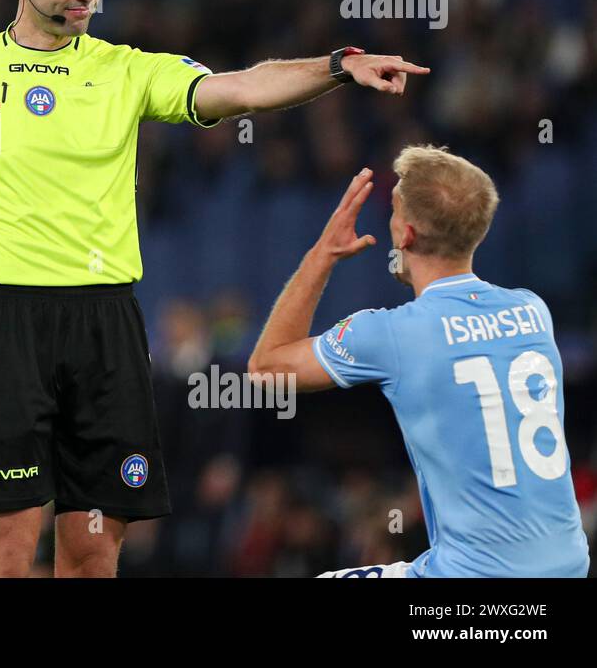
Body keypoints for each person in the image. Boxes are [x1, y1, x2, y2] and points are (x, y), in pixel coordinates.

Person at [0, 0, 428, 577]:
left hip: (107, 324)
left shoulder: (126, 70)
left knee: (91, 552)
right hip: (4, 326)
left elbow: (242, 88)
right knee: (4, 555)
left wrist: (338, 63)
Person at [248, 146, 589, 577]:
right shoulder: (532, 311)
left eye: (392, 211)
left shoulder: (392, 333)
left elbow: (265, 369)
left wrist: (323, 254)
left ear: (404, 234)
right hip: (568, 566)